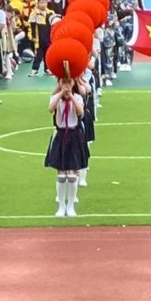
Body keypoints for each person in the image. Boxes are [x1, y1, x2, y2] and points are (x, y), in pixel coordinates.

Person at [45, 75, 88, 218]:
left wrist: (71, 97)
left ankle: (70, 206)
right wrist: (60, 94)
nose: (67, 85)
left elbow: (80, 112)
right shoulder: (55, 98)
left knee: (72, 174)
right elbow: (50, 109)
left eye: (69, 82)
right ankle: (61, 206)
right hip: (61, 135)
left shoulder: (77, 98)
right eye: (63, 82)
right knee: (62, 174)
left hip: (74, 135)